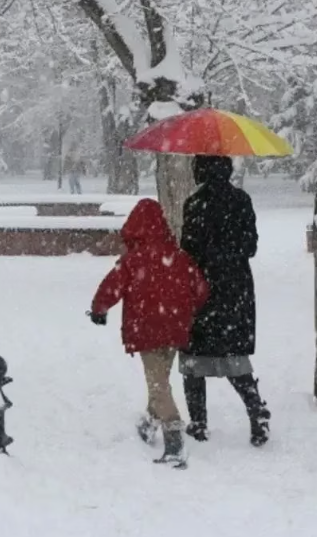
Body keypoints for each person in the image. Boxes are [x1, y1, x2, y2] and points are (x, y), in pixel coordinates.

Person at [89, 198, 208, 468]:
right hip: (175, 328)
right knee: (160, 382)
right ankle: (148, 423)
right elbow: (200, 289)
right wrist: (184, 309)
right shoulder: (179, 257)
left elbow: (112, 287)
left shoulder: (133, 260)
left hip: (147, 330)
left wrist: (99, 309)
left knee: (158, 385)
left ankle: (174, 440)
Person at [180, 155, 270, 447]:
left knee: (194, 356)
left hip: (202, 287)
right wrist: (229, 254)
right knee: (233, 355)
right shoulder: (241, 200)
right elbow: (251, 245)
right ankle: (256, 411)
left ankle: (198, 423)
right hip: (235, 287)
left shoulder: (194, 204)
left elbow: (188, 249)